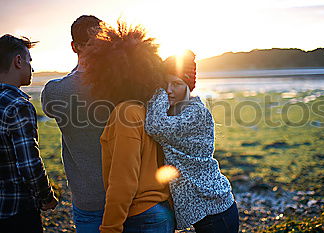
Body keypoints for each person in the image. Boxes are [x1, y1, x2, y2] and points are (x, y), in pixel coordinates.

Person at [81, 21, 190, 233]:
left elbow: (124, 181)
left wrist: (110, 227)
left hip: (143, 216)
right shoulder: (151, 110)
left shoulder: (126, 114)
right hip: (160, 212)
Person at [145, 51, 240, 233]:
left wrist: (158, 90)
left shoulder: (196, 113)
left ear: (188, 87)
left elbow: (155, 126)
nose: (169, 90)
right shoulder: (176, 112)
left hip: (217, 212)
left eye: (177, 84)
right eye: (165, 84)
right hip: (209, 212)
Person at [41, 15, 109, 233]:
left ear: (74, 47)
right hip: (129, 196)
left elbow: (52, 103)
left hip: (87, 198)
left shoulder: (55, 91)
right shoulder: (122, 86)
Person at [0, 34, 58, 233]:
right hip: (17, 212)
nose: (32, 69)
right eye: (29, 61)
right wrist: (47, 197)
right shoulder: (18, 105)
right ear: (18, 61)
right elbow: (29, 164)